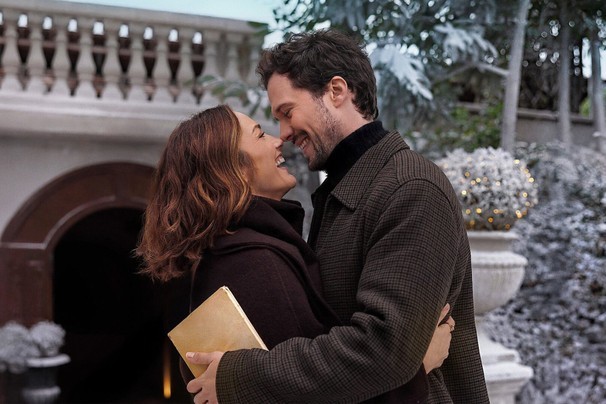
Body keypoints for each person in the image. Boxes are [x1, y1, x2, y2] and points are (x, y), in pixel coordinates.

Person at [186, 29, 489, 403]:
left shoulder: (411, 188)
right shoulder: (345, 191)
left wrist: (241, 376)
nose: (283, 133)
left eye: (287, 112)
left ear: (336, 91)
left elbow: (384, 347)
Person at [136, 105, 455, 403]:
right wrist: (418, 367)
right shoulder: (255, 265)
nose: (278, 140)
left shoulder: (235, 253)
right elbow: (318, 391)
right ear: (232, 170)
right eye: (260, 135)